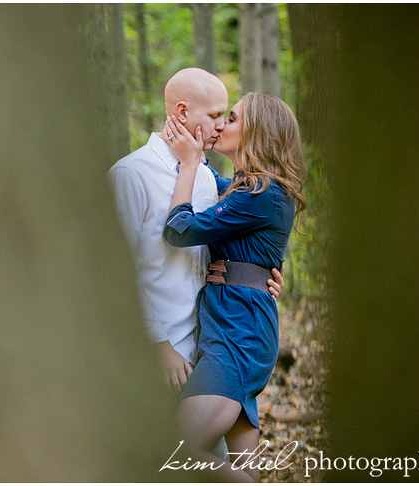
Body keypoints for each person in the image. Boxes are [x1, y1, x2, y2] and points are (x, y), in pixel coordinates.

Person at [107, 68, 283, 459]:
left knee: (196, 463)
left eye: (227, 117)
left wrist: (258, 274)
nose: (221, 126)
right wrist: (158, 345)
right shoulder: (130, 176)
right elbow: (116, 273)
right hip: (159, 355)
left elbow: (237, 230)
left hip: (210, 347)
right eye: (215, 116)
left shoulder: (204, 177)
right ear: (182, 112)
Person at [161, 92, 306, 481]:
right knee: (245, 469)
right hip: (234, 324)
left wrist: (190, 162)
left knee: (175, 454)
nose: (221, 124)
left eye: (232, 118)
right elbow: (218, 196)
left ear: (257, 131)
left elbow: (180, 230)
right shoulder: (246, 190)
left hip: (239, 333)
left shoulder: (261, 193)